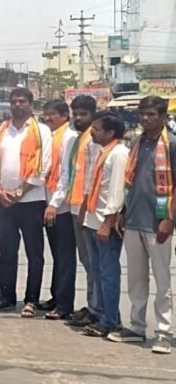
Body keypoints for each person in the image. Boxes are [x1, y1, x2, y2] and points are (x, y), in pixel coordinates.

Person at [109, 96, 176, 354]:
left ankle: (163, 332)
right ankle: (137, 327)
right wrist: (123, 212)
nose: (146, 119)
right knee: (136, 279)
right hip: (134, 219)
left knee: (162, 281)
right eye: (143, 114)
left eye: (151, 114)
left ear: (162, 117)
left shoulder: (170, 144)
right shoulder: (136, 143)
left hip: (158, 222)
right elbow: (130, 182)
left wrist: (169, 219)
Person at [0, 88, 53, 316]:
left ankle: (31, 299)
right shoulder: (0, 131)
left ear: (31, 104)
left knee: (34, 252)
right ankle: (7, 296)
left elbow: (43, 167)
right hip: (2, 200)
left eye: (22, 101)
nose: (17, 105)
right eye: (14, 101)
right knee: (6, 251)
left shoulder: (41, 130)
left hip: (31, 200)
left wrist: (19, 192)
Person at [78, 113, 129, 338]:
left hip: (104, 223)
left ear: (110, 132)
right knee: (98, 273)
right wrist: (84, 213)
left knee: (108, 274)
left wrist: (107, 223)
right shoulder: (102, 151)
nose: (92, 132)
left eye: (97, 129)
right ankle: (107, 315)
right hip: (93, 219)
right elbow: (92, 185)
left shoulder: (119, 154)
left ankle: (109, 322)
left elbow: (117, 192)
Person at [64, 95, 102, 327]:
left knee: (94, 263)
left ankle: (98, 309)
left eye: (83, 114)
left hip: (88, 209)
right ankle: (92, 305)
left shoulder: (94, 140)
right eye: (75, 114)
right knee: (87, 261)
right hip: (76, 206)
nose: (78, 118)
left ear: (93, 114)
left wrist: (85, 210)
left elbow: (93, 179)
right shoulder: (79, 138)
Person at [39, 100, 78, 320]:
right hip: (48, 202)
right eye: (46, 114)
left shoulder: (69, 137)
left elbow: (66, 173)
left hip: (60, 206)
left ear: (64, 115)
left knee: (64, 257)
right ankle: (56, 296)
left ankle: (64, 304)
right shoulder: (51, 136)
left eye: (52, 114)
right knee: (56, 255)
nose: (47, 118)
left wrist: (55, 203)